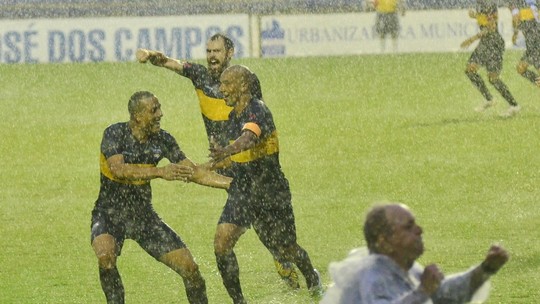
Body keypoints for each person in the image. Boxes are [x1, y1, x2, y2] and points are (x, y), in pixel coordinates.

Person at [136, 33, 301, 289]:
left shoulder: (245, 81)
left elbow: (255, 114)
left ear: (230, 53)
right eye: (209, 51)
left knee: (259, 217)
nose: (212, 56)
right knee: (235, 220)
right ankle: (274, 262)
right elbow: (173, 64)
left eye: (217, 51)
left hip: (246, 160)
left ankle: (284, 256)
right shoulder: (200, 75)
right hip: (222, 161)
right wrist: (154, 57)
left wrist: (239, 146)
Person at [90, 91, 232, 304]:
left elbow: (191, 171)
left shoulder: (163, 139)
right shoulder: (114, 133)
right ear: (137, 116)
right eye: (154, 110)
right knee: (105, 257)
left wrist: (231, 185)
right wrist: (160, 172)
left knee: (190, 269)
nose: (161, 114)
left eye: (159, 108)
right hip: (109, 214)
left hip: (143, 218)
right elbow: (118, 169)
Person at [208, 65, 323, 303]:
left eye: (227, 84)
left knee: (285, 249)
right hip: (244, 192)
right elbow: (236, 158)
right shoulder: (232, 117)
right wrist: (202, 168)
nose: (222, 90)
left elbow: (249, 139)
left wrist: (225, 151)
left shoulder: (257, 110)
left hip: (271, 192)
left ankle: (312, 279)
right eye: (221, 84)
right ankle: (239, 301)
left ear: (243, 86)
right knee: (222, 243)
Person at [321, 203, 510, 304]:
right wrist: (423, 291)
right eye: (408, 227)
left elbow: (444, 295)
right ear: (384, 240)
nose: (419, 230)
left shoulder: (403, 269)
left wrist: (485, 269)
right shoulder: (372, 278)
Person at [461, 0, 521, 118]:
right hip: (486, 43)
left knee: (493, 78)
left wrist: (472, 39)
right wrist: (476, 16)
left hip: (493, 43)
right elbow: (487, 21)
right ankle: (489, 99)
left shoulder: (489, 5)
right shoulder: (481, 5)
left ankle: (514, 105)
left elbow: (492, 27)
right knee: (470, 70)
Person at [509, 0, 540, 88]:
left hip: (535, 40)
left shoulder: (517, 3)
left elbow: (516, 17)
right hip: (533, 40)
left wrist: (514, 33)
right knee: (521, 68)